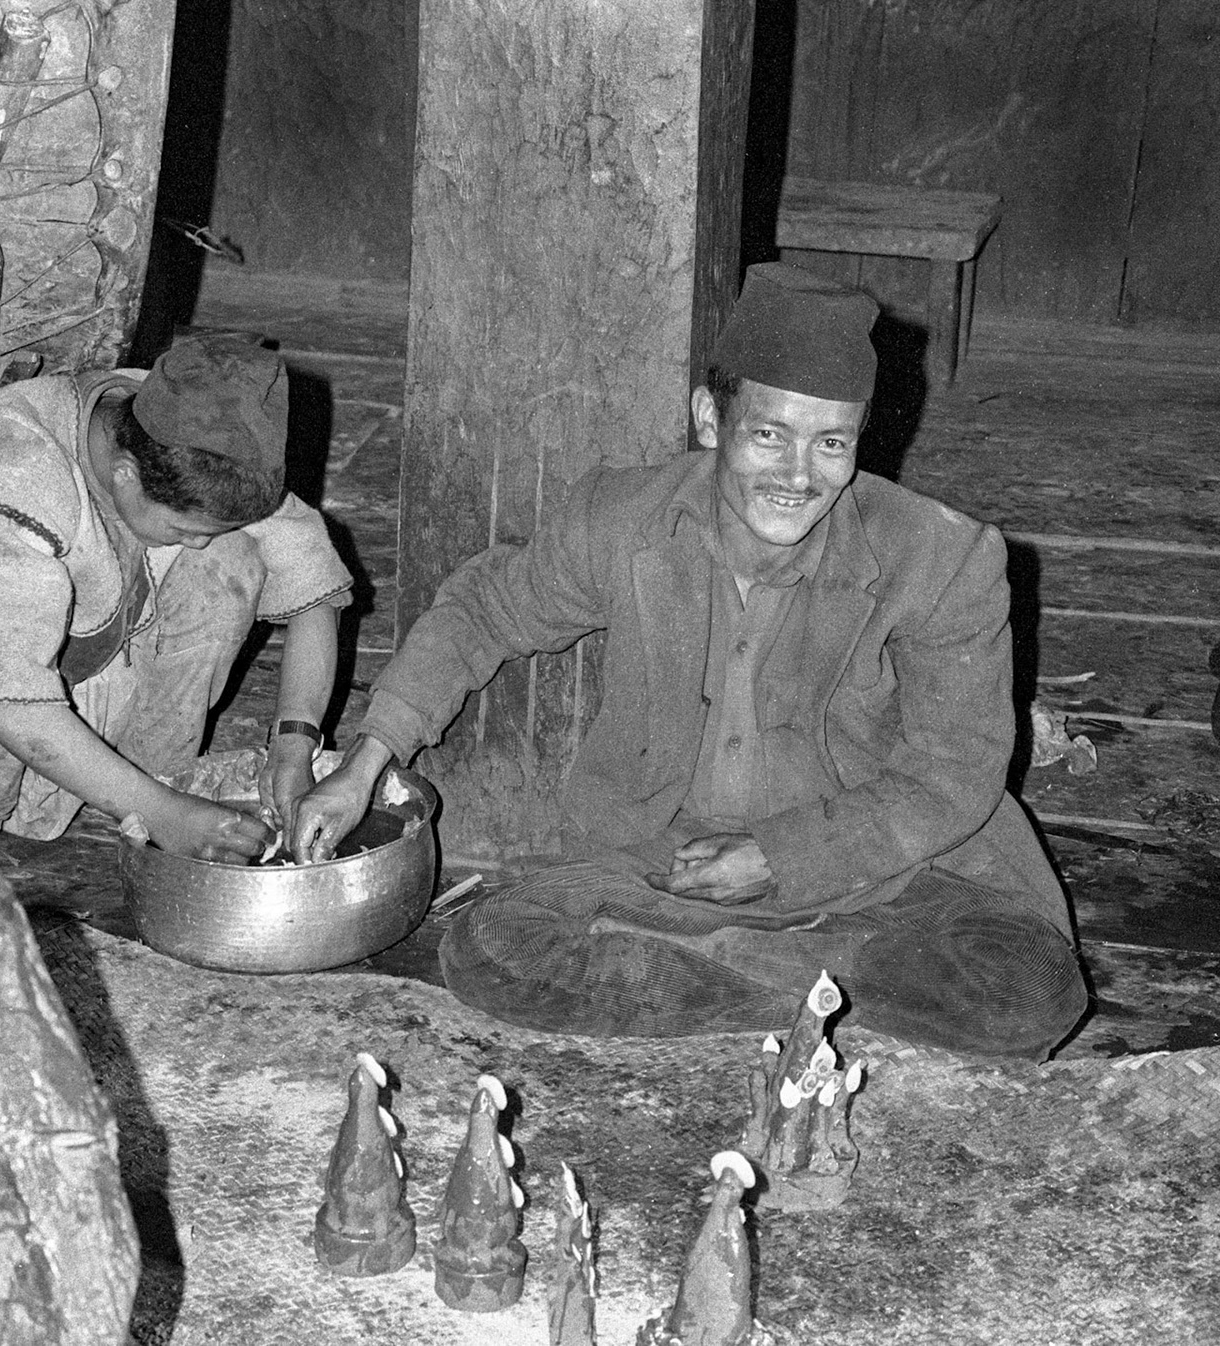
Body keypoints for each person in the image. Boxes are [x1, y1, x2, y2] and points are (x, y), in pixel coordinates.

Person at [292, 263, 1088, 1057]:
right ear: (712, 418)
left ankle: (743, 975)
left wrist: (782, 857)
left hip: (890, 869)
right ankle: (826, 993)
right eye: (769, 435)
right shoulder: (622, 518)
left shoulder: (945, 559)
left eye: (831, 444)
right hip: (670, 865)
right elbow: (483, 612)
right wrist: (365, 765)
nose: (798, 476)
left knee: (1029, 995)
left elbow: (953, 771)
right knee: (495, 949)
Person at [0, 334, 353, 865]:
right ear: (126, 472)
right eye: (183, 528)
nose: (196, 539)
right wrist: (160, 814)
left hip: (97, 656)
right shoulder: (5, 462)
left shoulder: (208, 432)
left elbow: (314, 593)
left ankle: (158, 782)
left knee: (231, 559)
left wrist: (293, 743)